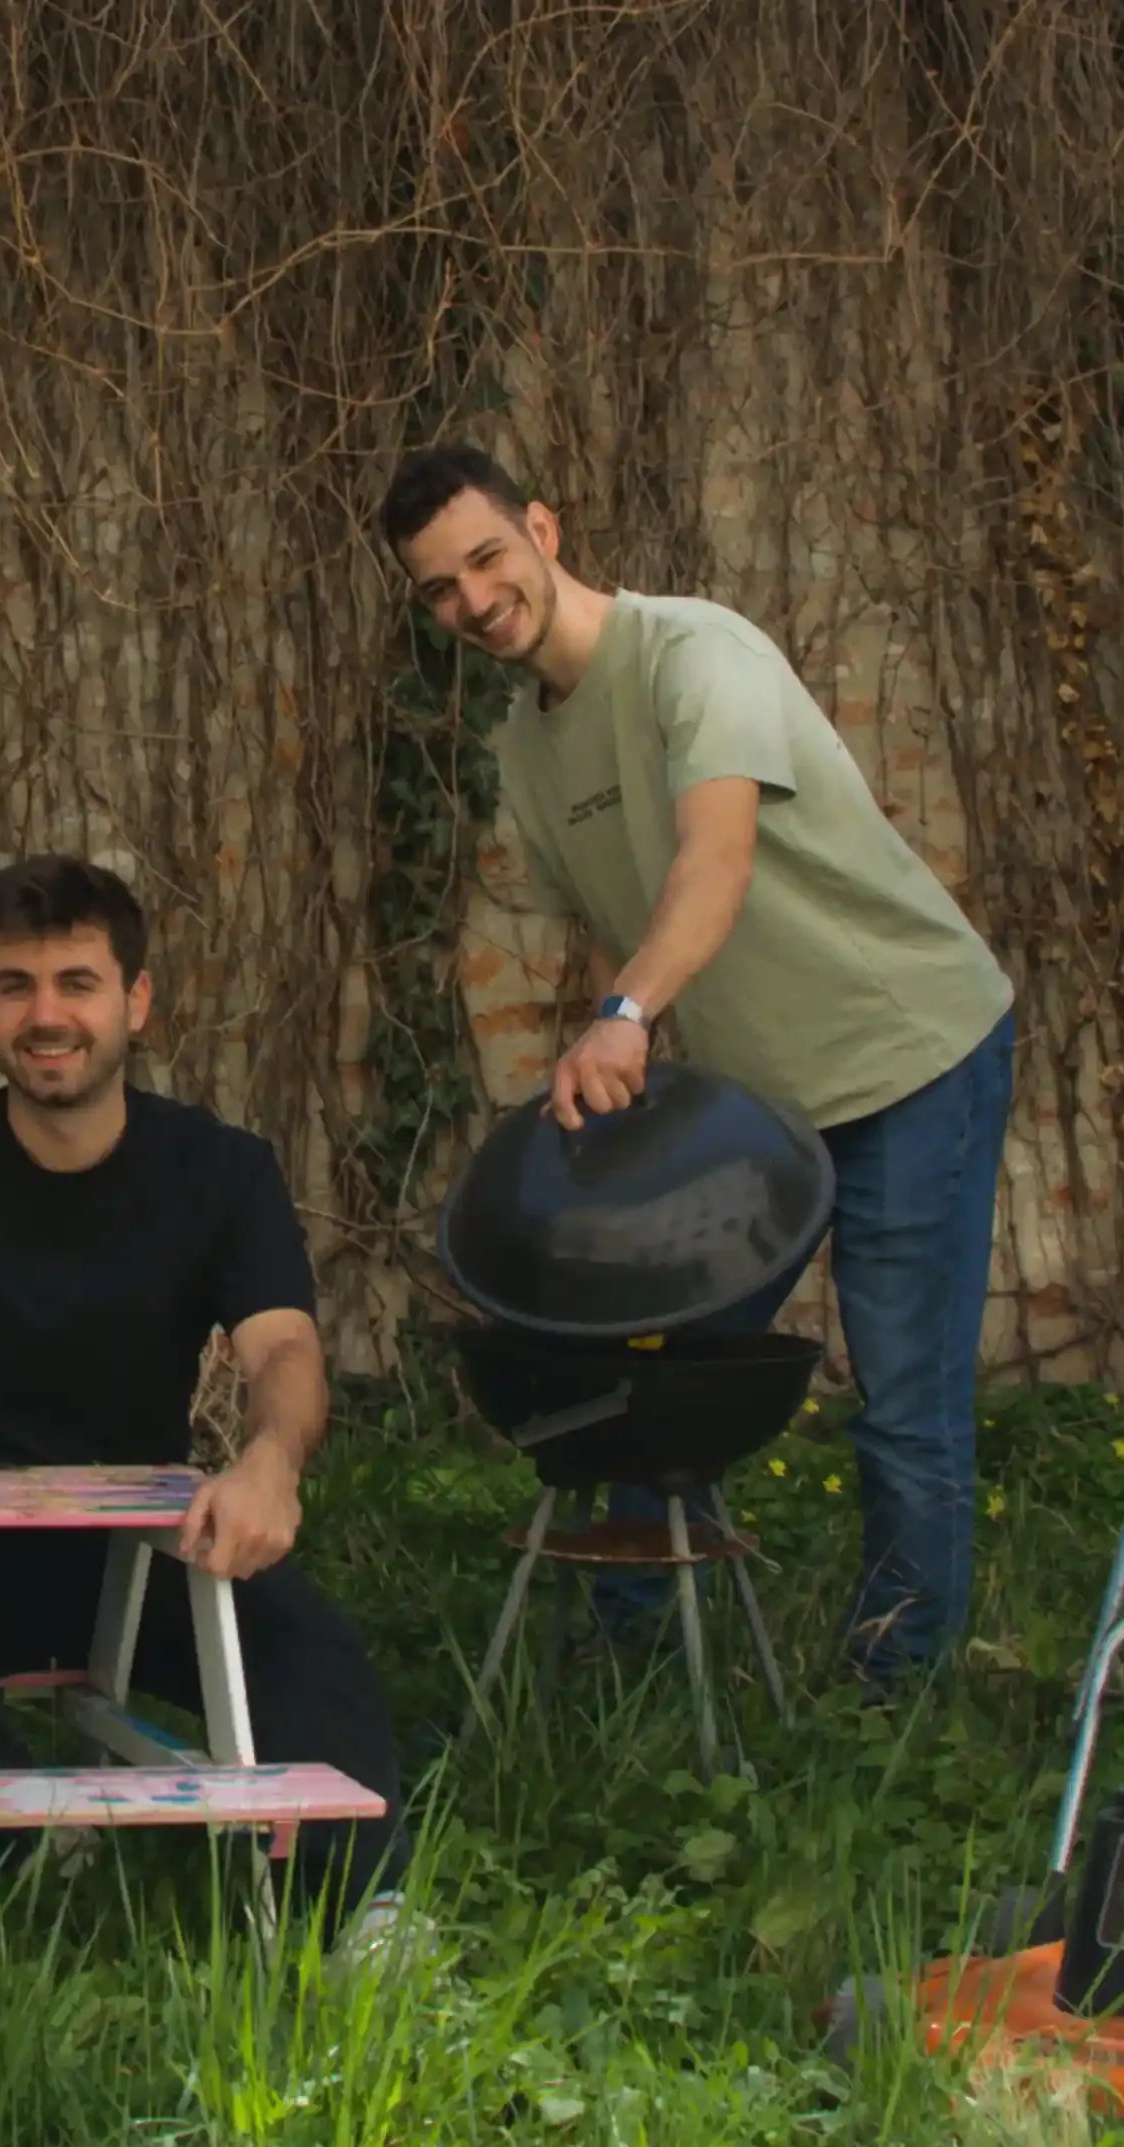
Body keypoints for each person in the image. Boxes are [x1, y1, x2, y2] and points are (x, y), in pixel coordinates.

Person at [378, 443, 1024, 1688]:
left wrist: (623, 1014)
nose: (472, 599)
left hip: (908, 1051)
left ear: (544, 531)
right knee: (651, 1366)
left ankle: (894, 1701)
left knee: (902, 1396)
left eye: (485, 557)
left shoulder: (695, 653)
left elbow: (711, 863)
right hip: (755, 1096)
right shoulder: (523, 742)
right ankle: (622, 1671)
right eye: (438, 588)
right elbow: (621, 919)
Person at [0, 856, 419, 1921]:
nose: (45, 1015)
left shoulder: (220, 1170)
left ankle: (363, 1917)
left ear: (136, 1001)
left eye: (76, 982)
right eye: (13, 985)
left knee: (311, 1646)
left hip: (135, 1555)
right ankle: (27, 1837)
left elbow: (284, 1353)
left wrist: (268, 1463)